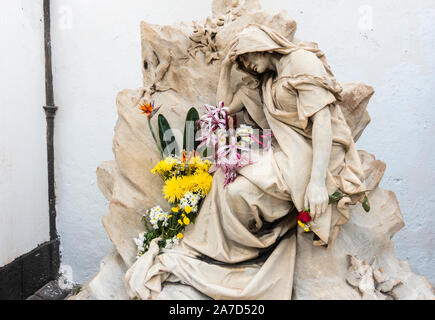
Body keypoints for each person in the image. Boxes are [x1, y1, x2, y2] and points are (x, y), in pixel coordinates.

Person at [125, 24, 367, 300]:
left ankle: (234, 255)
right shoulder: (267, 79)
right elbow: (225, 105)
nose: (246, 65)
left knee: (239, 192)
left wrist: (316, 183)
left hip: (308, 154)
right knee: (222, 174)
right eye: (241, 62)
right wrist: (228, 65)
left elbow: (323, 123)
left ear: (260, 45)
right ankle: (207, 250)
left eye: (246, 57)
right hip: (284, 150)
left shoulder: (301, 62)